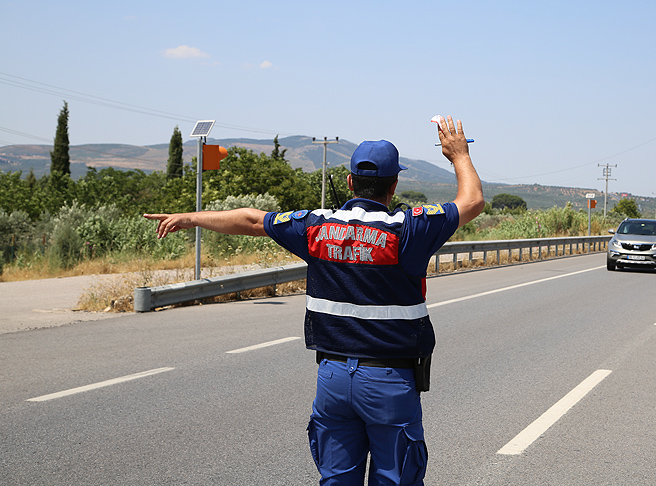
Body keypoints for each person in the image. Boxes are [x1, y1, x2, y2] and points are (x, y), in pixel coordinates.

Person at [144, 115, 484, 485]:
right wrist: (458, 155)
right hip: (389, 381)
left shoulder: (315, 226)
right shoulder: (410, 228)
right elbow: (472, 201)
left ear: (351, 182)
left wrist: (190, 217)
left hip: (333, 379)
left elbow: (252, 220)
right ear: (394, 185)